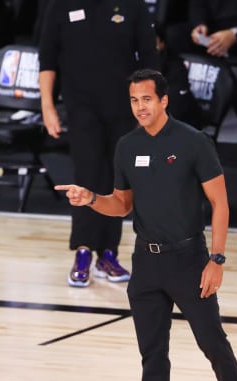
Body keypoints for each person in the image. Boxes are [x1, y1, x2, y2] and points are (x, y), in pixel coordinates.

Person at [55, 69, 237, 381]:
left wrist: (217, 260)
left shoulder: (192, 142)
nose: (140, 107)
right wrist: (90, 198)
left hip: (189, 262)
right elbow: (122, 205)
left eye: (147, 99)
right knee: (153, 358)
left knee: (214, 346)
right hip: (146, 264)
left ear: (164, 100)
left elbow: (220, 204)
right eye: (134, 100)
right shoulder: (127, 146)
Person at [38, 0, 160, 288]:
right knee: (87, 174)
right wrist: (47, 106)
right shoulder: (60, 6)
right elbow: (47, 59)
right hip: (80, 107)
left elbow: (149, 58)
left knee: (117, 180)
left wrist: (150, 106)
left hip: (123, 107)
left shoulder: (133, 6)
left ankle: (108, 253)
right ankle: (82, 252)